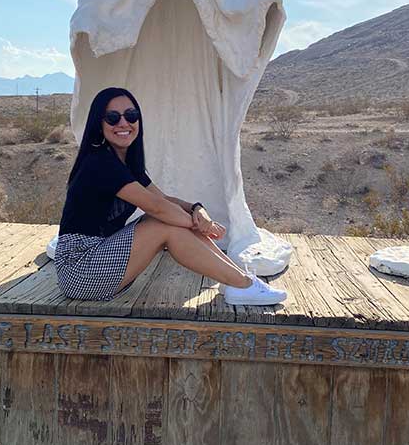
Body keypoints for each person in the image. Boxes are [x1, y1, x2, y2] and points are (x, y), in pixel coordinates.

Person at [56, 86, 287, 306]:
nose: (124, 123)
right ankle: (242, 285)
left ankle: (237, 280)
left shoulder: (124, 163)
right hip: (79, 269)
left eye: (131, 115)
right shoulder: (100, 162)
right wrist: (200, 225)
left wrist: (198, 210)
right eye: (113, 117)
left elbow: (165, 200)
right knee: (163, 223)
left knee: (165, 220)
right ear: (99, 123)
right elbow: (157, 208)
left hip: (99, 257)